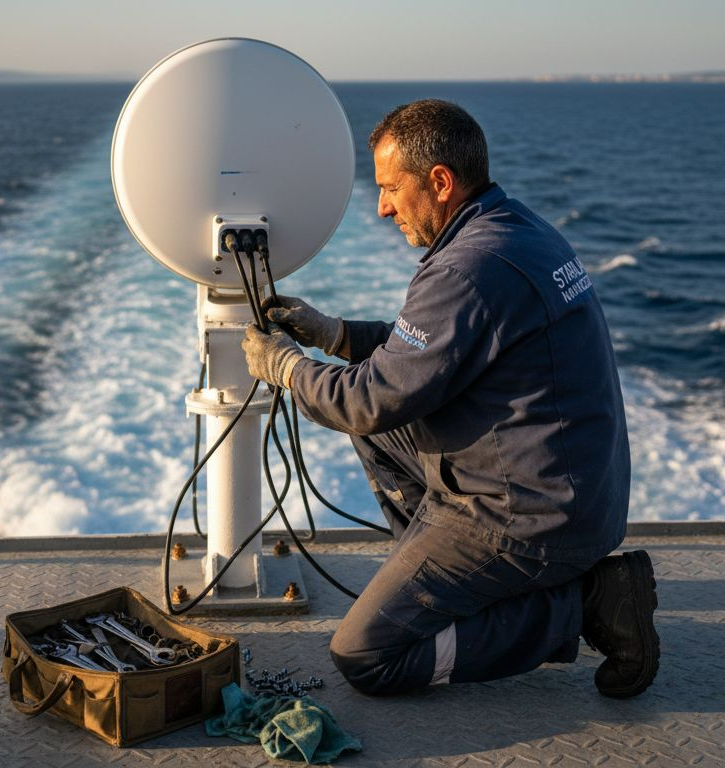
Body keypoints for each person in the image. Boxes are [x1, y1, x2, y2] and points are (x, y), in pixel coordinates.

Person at [240, 99, 659, 698]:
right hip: (569, 488)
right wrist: (337, 335)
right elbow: (431, 356)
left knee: (366, 656)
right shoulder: (515, 230)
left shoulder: (466, 270)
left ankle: (588, 604)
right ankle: (449, 580)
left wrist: (283, 366)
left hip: (529, 516)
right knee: (382, 431)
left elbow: (368, 399)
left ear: (439, 182)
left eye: (390, 189)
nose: (382, 207)